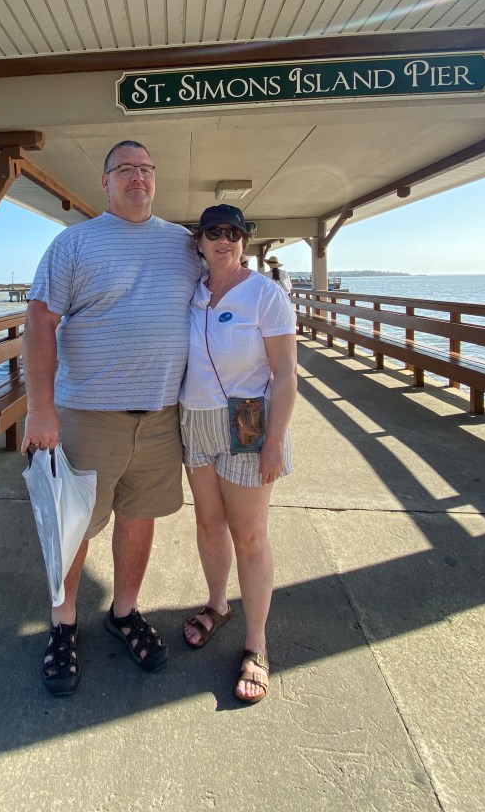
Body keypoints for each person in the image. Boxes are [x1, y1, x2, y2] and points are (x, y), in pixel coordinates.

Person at [21, 140, 202, 696]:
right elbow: (39, 320)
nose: (139, 178)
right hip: (87, 416)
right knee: (71, 526)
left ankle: (124, 613)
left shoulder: (183, 245)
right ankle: (63, 624)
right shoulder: (74, 244)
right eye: (126, 169)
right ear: (105, 181)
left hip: (161, 416)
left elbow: (225, 293)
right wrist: (39, 408)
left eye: (147, 169)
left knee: (139, 517)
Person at [178, 205, 297, 703]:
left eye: (234, 232)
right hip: (194, 418)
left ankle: (256, 643)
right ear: (200, 242)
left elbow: (287, 374)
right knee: (208, 524)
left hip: (248, 421)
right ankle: (216, 605)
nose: (224, 240)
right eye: (214, 232)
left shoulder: (266, 295)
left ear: (244, 241)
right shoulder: (193, 291)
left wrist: (274, 442)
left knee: (250, 536)